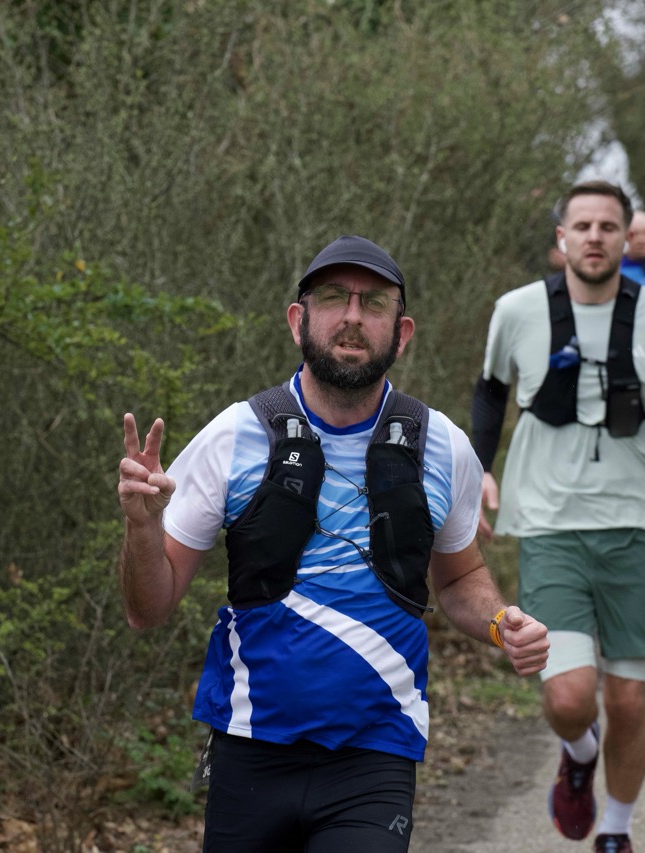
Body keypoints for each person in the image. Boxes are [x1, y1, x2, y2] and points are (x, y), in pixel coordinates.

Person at [117, 234, 550, 853]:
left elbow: (458, 580)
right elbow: (147, 608)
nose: (352, 316)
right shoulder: (235, 435)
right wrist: (141, 527)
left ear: (401, 333)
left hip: (376, 752)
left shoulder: (442, 445)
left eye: (373, 303)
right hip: (250, 746)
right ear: (299, 321)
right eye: (332, 298)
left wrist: (501, 622)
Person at [470, 181, 645, 853]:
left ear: (626, 238)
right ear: (561, 238)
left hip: (638, 524)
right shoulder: (517, 310)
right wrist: (478, 470)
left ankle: (616, 830)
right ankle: (579, 751)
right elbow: (491, 392)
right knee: (569, 698)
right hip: (550, 525)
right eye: (582, 226)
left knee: (629, 702)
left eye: (608, 226)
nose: (595, 237)